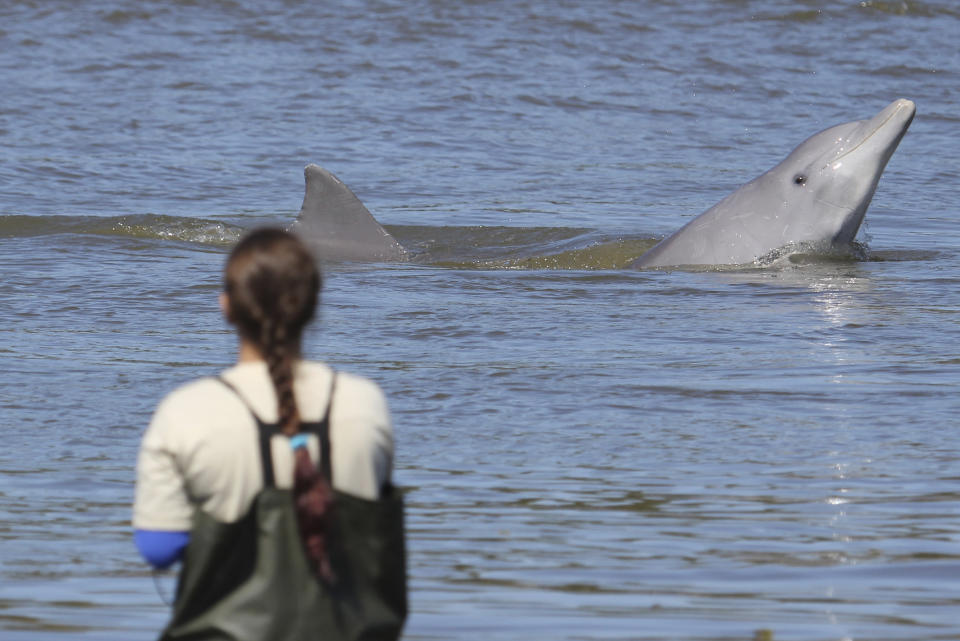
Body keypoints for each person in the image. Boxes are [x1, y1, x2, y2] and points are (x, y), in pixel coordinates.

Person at [133, 227, 407, 640]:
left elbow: (158, 548)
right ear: (313, 307)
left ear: (226, 307)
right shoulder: (364, 403)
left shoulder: (187, 410)